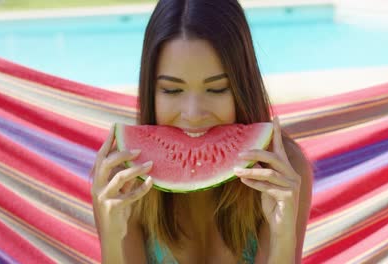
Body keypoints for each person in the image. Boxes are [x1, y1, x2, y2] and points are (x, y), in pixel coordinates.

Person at [90, 0, 313, 263]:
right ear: (151, 92)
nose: (193, 114)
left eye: (216, 89)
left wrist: (283, 237)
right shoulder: (122, 179)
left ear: (243, 87)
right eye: (172, 90)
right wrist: (112, 237)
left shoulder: (283, 172)